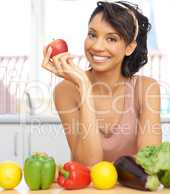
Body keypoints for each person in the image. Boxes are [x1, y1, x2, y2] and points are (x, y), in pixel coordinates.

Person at [42, 1, 162, 166]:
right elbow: (88, 163)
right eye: (92, 35)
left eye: (111, 39)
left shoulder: (146, 89)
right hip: (87, 191)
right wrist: (84, 87)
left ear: (129, 47)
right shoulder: (65, 91)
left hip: (132, 190)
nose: (97, 46)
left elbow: (150, 162)